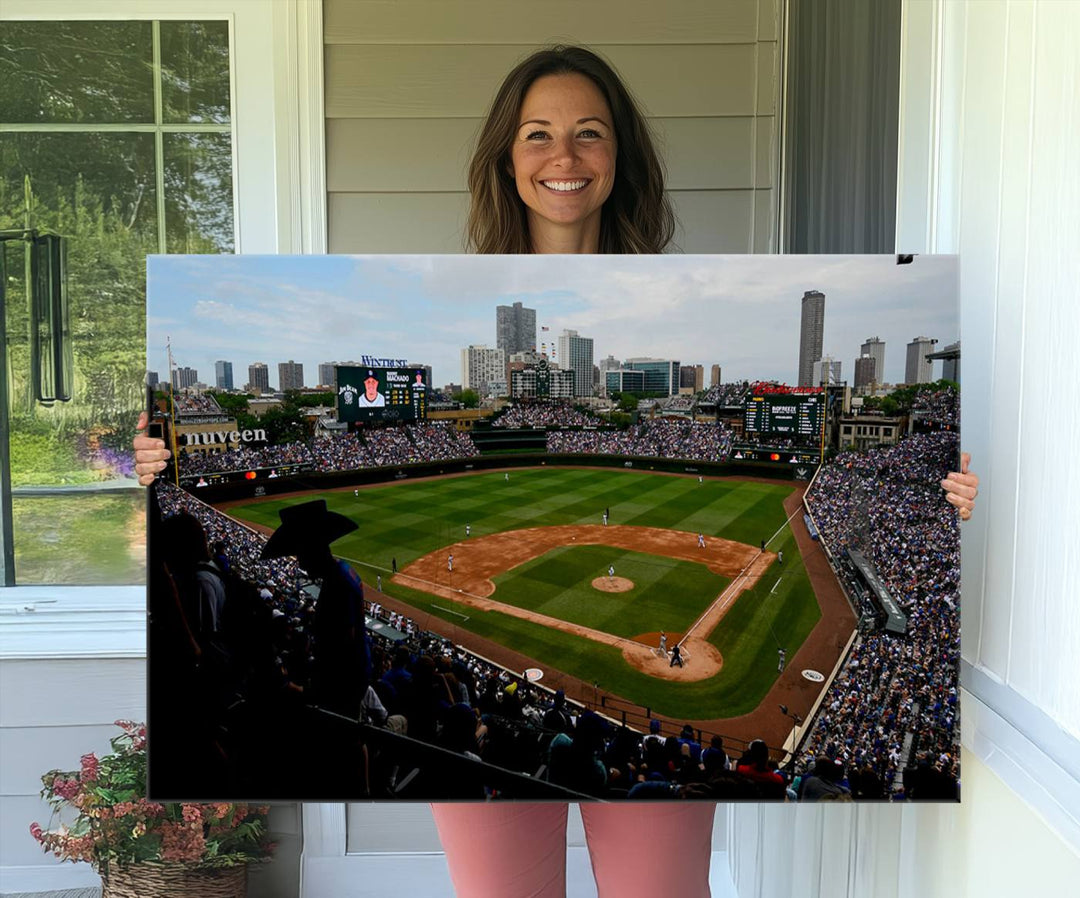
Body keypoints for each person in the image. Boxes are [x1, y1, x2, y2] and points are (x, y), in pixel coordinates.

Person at [131, 43, 979, 898]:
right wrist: (149, 464)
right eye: (537, 134)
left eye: (590, 134)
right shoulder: (456, 283)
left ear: (621, 157)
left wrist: (956, 491)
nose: (563, 157)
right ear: (506, 157)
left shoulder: (683, 280)